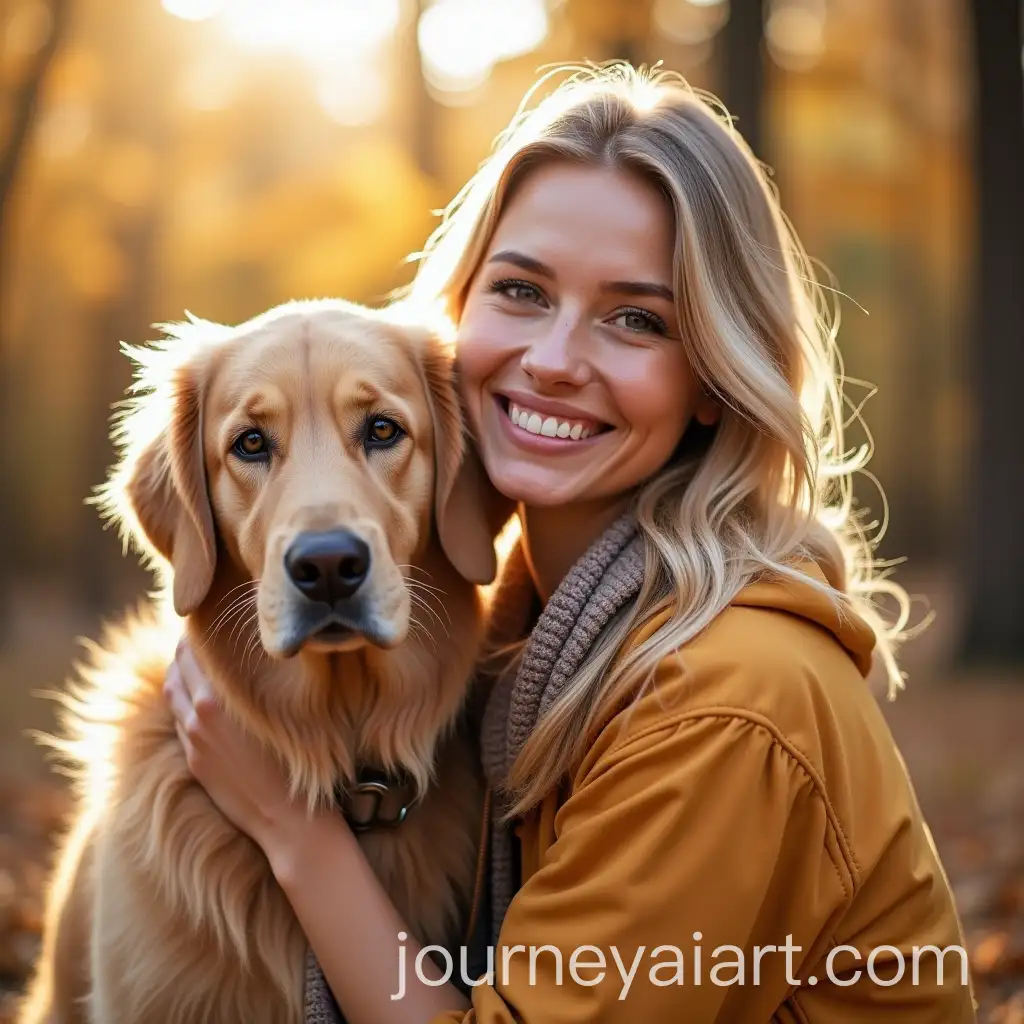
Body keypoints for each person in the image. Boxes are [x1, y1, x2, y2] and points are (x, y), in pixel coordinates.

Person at [163, 65, 975, 1023]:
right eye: (520, 290)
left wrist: (292, 833)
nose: (553, 361)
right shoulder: (516, 633)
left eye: (636, 319)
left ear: (714, 375)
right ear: (462, 315)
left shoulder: (722, 703)